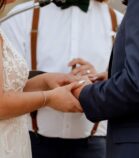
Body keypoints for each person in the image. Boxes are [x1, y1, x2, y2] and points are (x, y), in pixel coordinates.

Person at [1, 0, 123, 157]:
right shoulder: (20, 16)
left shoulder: (118, 21)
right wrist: (47, 87)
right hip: (32, 142)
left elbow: (127, 84)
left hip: (95, 144)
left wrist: (99, 82)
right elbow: (10, 81)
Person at [0, 2, 84, 158]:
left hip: (14, 144)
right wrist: (49, 98)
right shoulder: (18, 17)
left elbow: (9, 89)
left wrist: (45, 81)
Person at [66, 0, 139, 157]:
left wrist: (83, 92)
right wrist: (109, 77)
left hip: (124, 144)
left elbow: (137, 83)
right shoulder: (21, 17)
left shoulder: (137, 6)